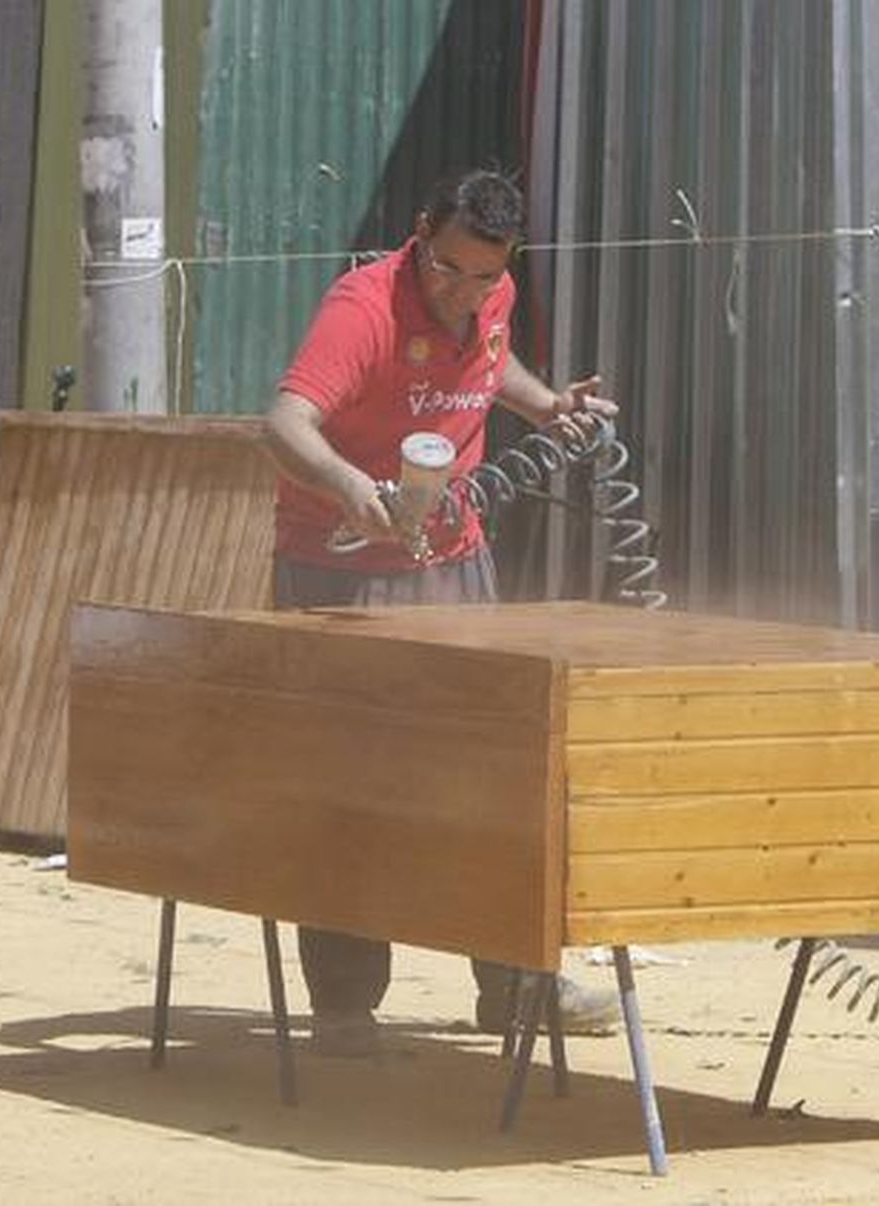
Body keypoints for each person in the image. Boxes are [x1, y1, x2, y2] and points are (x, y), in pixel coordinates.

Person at [262, 168, 621, 1057]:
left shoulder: (490, 299)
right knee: (354, 789)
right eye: (447, 269)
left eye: (483, 277)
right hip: (343, 574)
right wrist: (349, 487)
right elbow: (284, 423)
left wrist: (546, 407)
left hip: (459, 565)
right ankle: (344, 1009)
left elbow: (488, 362)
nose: (461, 292)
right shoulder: (365, 308)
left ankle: (514, 985)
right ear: (422, 230)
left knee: (495, 777)